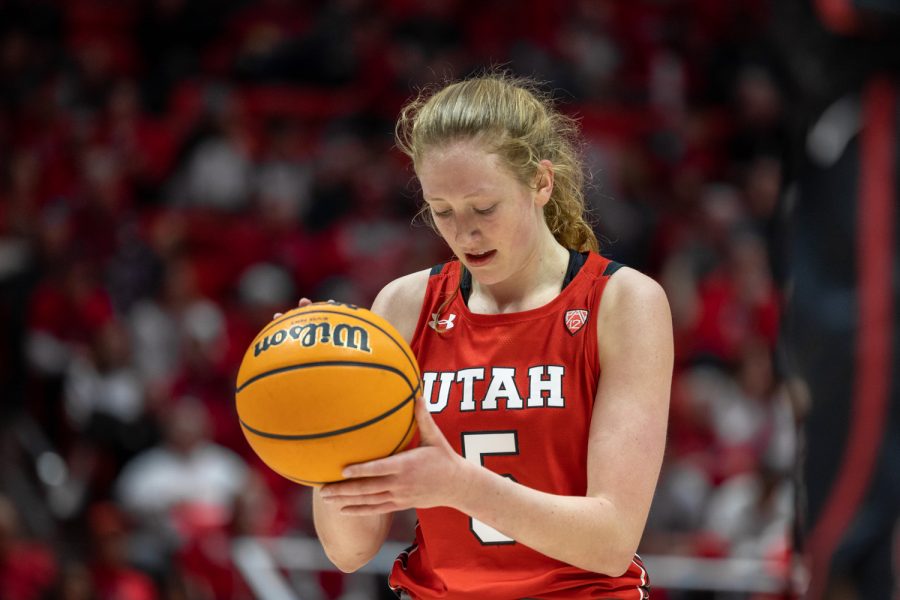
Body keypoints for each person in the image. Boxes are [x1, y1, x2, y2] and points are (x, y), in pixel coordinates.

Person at [306, 73, 673, 599]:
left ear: (541, 183)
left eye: (484, 208)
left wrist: (458, 486)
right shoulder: (404, 306)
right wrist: (326, 413)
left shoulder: (621, 301)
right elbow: (349, 549)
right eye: (443, 211)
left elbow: (611, 541)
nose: (465, 232)